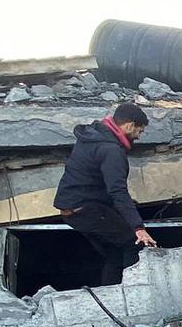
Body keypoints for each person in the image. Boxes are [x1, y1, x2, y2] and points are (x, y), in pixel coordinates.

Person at [53, 103, 157, 286]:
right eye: (139, 131)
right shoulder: (111, 150)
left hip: (75, 209)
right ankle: (135, 291)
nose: (139, 137)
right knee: (134, 243)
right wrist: (138, 228)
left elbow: (94, 180)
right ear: (129, 125)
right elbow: (117, 190)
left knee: (115, 255)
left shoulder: (93, 136)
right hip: (86, 210)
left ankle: (112, 293)